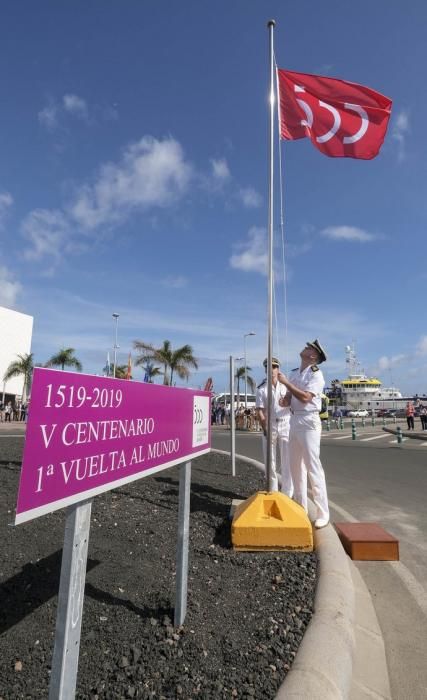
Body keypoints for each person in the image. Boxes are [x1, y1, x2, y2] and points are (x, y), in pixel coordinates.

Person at [277, 339, 330, 529]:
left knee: (312, 466)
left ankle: (323, 513)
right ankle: (301, 507)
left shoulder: (317, 374)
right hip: (294, 420)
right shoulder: (293, 373)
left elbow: (306, 398)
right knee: (295, 467)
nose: (305, 348)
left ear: (314, 356)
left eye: (309, 348)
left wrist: (285, 384)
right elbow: (288, 400)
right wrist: (283, 398)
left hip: (309, 421)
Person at [256, 356, 293, 496]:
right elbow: (259, 410)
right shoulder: (261, 389)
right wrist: (264, 428)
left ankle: (288, 492)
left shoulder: (286, 385)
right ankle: (272, 489)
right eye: (268, 367)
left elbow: (292, 404)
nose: (271, 370)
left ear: (279, 369)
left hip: (285, 423)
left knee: (287, 459)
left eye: (274, 367)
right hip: (270, 425)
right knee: (269, 460)